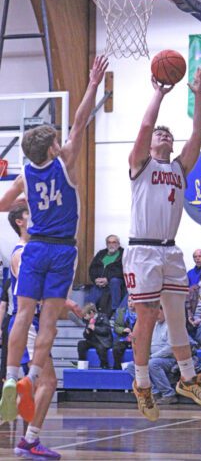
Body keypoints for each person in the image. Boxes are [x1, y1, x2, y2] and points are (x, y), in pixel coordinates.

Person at [0, 54, 108, 424]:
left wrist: (26, 198)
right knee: (48, 322)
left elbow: (1, 204)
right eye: (57, 141)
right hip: (62, 251)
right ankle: (31, 379)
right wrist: (93, 83)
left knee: (22, 315)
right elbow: (79, 123)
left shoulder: (26, 174)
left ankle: (10, 377)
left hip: (35, 247)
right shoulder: (65, 164)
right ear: (52, 149)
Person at [123, 68, 201, 421]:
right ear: (150, 144)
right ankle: (143, 384)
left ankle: (189, 379)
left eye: (168, 133)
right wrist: (159, 94)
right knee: (146, 316)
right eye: (159, 132)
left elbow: (198, 133)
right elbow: (146, 127)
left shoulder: (180, 167)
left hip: (171, 250)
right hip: (142, 250)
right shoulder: (140, 164)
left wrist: (197, 95)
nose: (162, 134)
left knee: (177, 317)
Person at [6, 204, 82, 459]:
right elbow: (31, 297)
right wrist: (66, 302)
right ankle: (29, 440)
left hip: (36, 324)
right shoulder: (21, 253)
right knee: (47, 382)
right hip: (26, 325)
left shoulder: (35, 249)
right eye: (29, 214)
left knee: (37, 385)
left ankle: (29, 439)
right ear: (19, 221)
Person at [126, 306, 178, 405]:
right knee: (132, 366)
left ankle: (169, 394)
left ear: (165, 311)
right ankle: (153, 392)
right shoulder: (152, 326)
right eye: (155, 314)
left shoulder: (171, 326)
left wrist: (153, 356)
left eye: (158, 313)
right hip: (153, 357)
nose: (156, 316)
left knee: (152, 363)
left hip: (169, 359)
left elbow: (170, 348)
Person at [89, 235, 126, 316]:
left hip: (116, 282)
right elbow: (92, 268)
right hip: (100, 282)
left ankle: (115, 312)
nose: (111, 244)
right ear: (106, 244)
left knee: (114, 281)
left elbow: (122, 271)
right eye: (109, 242)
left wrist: (108, 279)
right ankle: (86, 315)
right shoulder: (101, 253)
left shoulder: (123, 254)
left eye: (114, 242)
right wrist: (95, 279)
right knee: (93, 292)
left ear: (118, 244)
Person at [77, 303, 112, 369]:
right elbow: (85, 336)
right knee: (81, 344)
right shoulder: (88, 320)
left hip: (102, 341)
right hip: (92, 341)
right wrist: (87, 332)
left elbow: (106, 330)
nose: (84, 317)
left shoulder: (103, 317)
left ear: (91, 313)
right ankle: (82, 363)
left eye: (85, 315)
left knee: (101, 348)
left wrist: (95, 328)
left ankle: (104, 365)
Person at [113, 295, 137, 370]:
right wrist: (123, 330)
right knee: (117, 348)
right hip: (124, 338)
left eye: (133, 301)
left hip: (138, 338)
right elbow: (116, 326)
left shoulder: (142, 313)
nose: (130, 303)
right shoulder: (121, 312)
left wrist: (135, 334)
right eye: (129, 301)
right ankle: (117, 368)